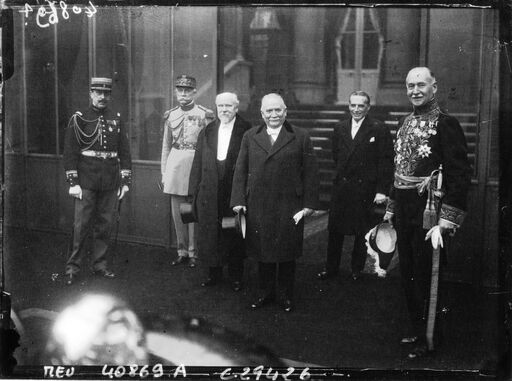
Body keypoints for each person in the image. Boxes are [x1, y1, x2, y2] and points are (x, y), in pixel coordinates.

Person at [383, 67, 471, 358]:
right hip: (406, 209)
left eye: (421, 84)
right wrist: (391, 209)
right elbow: (399, 171)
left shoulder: (446, 124)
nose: (415, 90)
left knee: (426, 273)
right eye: (410, 85)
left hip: (429, 211)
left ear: (435, 87)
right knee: (407, 271)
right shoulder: (404, 122)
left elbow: (459, 174)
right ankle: (416, 328)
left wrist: (447, 219)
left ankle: (430, 337)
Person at [231, 93, 319, 312]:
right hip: (258, 203)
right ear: (262, 113)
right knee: (262, 252)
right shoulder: (251, 136)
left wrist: (309, 203)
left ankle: (286, 295)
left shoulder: (300, 136)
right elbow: (240, 169)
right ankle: (265, 293)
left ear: (285, 111)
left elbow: (311, 172)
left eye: (277, 110)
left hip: (289, 204)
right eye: (268, 111)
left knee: (286, 252)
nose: (273, 115)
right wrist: (238, 200)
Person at [317, 91, 393, 281]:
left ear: (368, 107)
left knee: (361, 230)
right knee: (335, 231)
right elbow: (336, 155)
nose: (357, 109)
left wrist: (382, 189)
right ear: (348, 106)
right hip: (342, 187)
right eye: (353, 105)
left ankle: (356, 269)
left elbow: (385, 161)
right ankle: (331, 268)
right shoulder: (340, 128)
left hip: (364, 188)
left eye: (361, 106)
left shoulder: (378, 128)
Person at [63, 77, 132, 286]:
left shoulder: (116, 118)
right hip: (86, 180)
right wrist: (73, 182)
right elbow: (70, 152)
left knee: (104, 225)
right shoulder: (80, 117)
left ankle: (99, 265)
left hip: (110, 180)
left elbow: (124, 151)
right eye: (98, 92)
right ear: (91, 93)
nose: (102, 97)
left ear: (110, 95)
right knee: (81, 225)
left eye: (106, 93)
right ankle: (73, 268)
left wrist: (125, 181)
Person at [188, 92, 251, 291]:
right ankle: (213, 274)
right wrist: (193, 191)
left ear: (236, 107)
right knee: (210, 234)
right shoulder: (207, 130)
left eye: (228, 106)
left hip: (233, 191)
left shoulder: (247, 130)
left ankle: (236, 277)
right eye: (220, 106)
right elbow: (198, 163)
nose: (224, 110)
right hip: (210, 191)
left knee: (233, 234)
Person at [161, 75, 214, 268]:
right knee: (177, 214)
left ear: (194, 92)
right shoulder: (170, 115)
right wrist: (164, 172)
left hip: (195, 166)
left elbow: (209, 145)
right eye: (180, 90)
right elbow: (166, 147)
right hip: (175, 167)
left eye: (187, 90)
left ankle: (193, 252)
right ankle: (181, 251)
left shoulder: (204, 114)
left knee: (192, 211)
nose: (183, 93)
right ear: (176, 92)